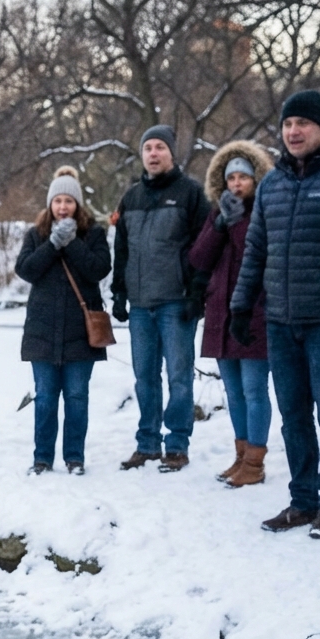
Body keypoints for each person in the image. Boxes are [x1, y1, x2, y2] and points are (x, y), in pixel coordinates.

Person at [231, 90, 320, 539]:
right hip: (280, 320)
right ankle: (303, 502)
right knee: (293, 416)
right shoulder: (272, 185)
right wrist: (241, 304)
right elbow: (255, 248)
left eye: (302, 123)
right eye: (287, 124)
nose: (293, 131)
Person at [110, 125, 212, 472]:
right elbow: (121, 250)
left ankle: (177, 445)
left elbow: (204, 246)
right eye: (147, 148)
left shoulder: (190, 193)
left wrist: (197, 292)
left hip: (176, 302)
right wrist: (119, 293)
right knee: (144, 378)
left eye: (159, 148)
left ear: (171, 153)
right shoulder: (132, 197)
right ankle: (148, 443)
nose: (153, 154)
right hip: (140, 305)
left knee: (179, 378)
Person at [15, 167, 111, 476]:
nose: (63, 207)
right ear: (50, 204)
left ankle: (74, 458)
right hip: (42, 333)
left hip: (80, 334)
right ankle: (42, 459)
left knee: (77, 398)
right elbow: (26, 270)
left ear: (78, 204)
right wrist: (53, 244)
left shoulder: (93, 234)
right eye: (57, 200)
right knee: (44, 400)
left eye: (69, 200)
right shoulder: (36, 234)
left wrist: (71, 243)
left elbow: (98, 269)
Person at [188, 140, 274, 488]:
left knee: (254, 390)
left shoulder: (264, 212)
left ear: (256, 180)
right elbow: (198, 259)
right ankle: (240, 457)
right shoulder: (218, 213)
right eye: (231, 178)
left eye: (243, 177)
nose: (237, 184)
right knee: (234, 392)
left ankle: (255, 461)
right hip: (220, 313)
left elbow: (253, 253)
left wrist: (236, 223)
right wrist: (220, 223)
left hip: (254, 313)